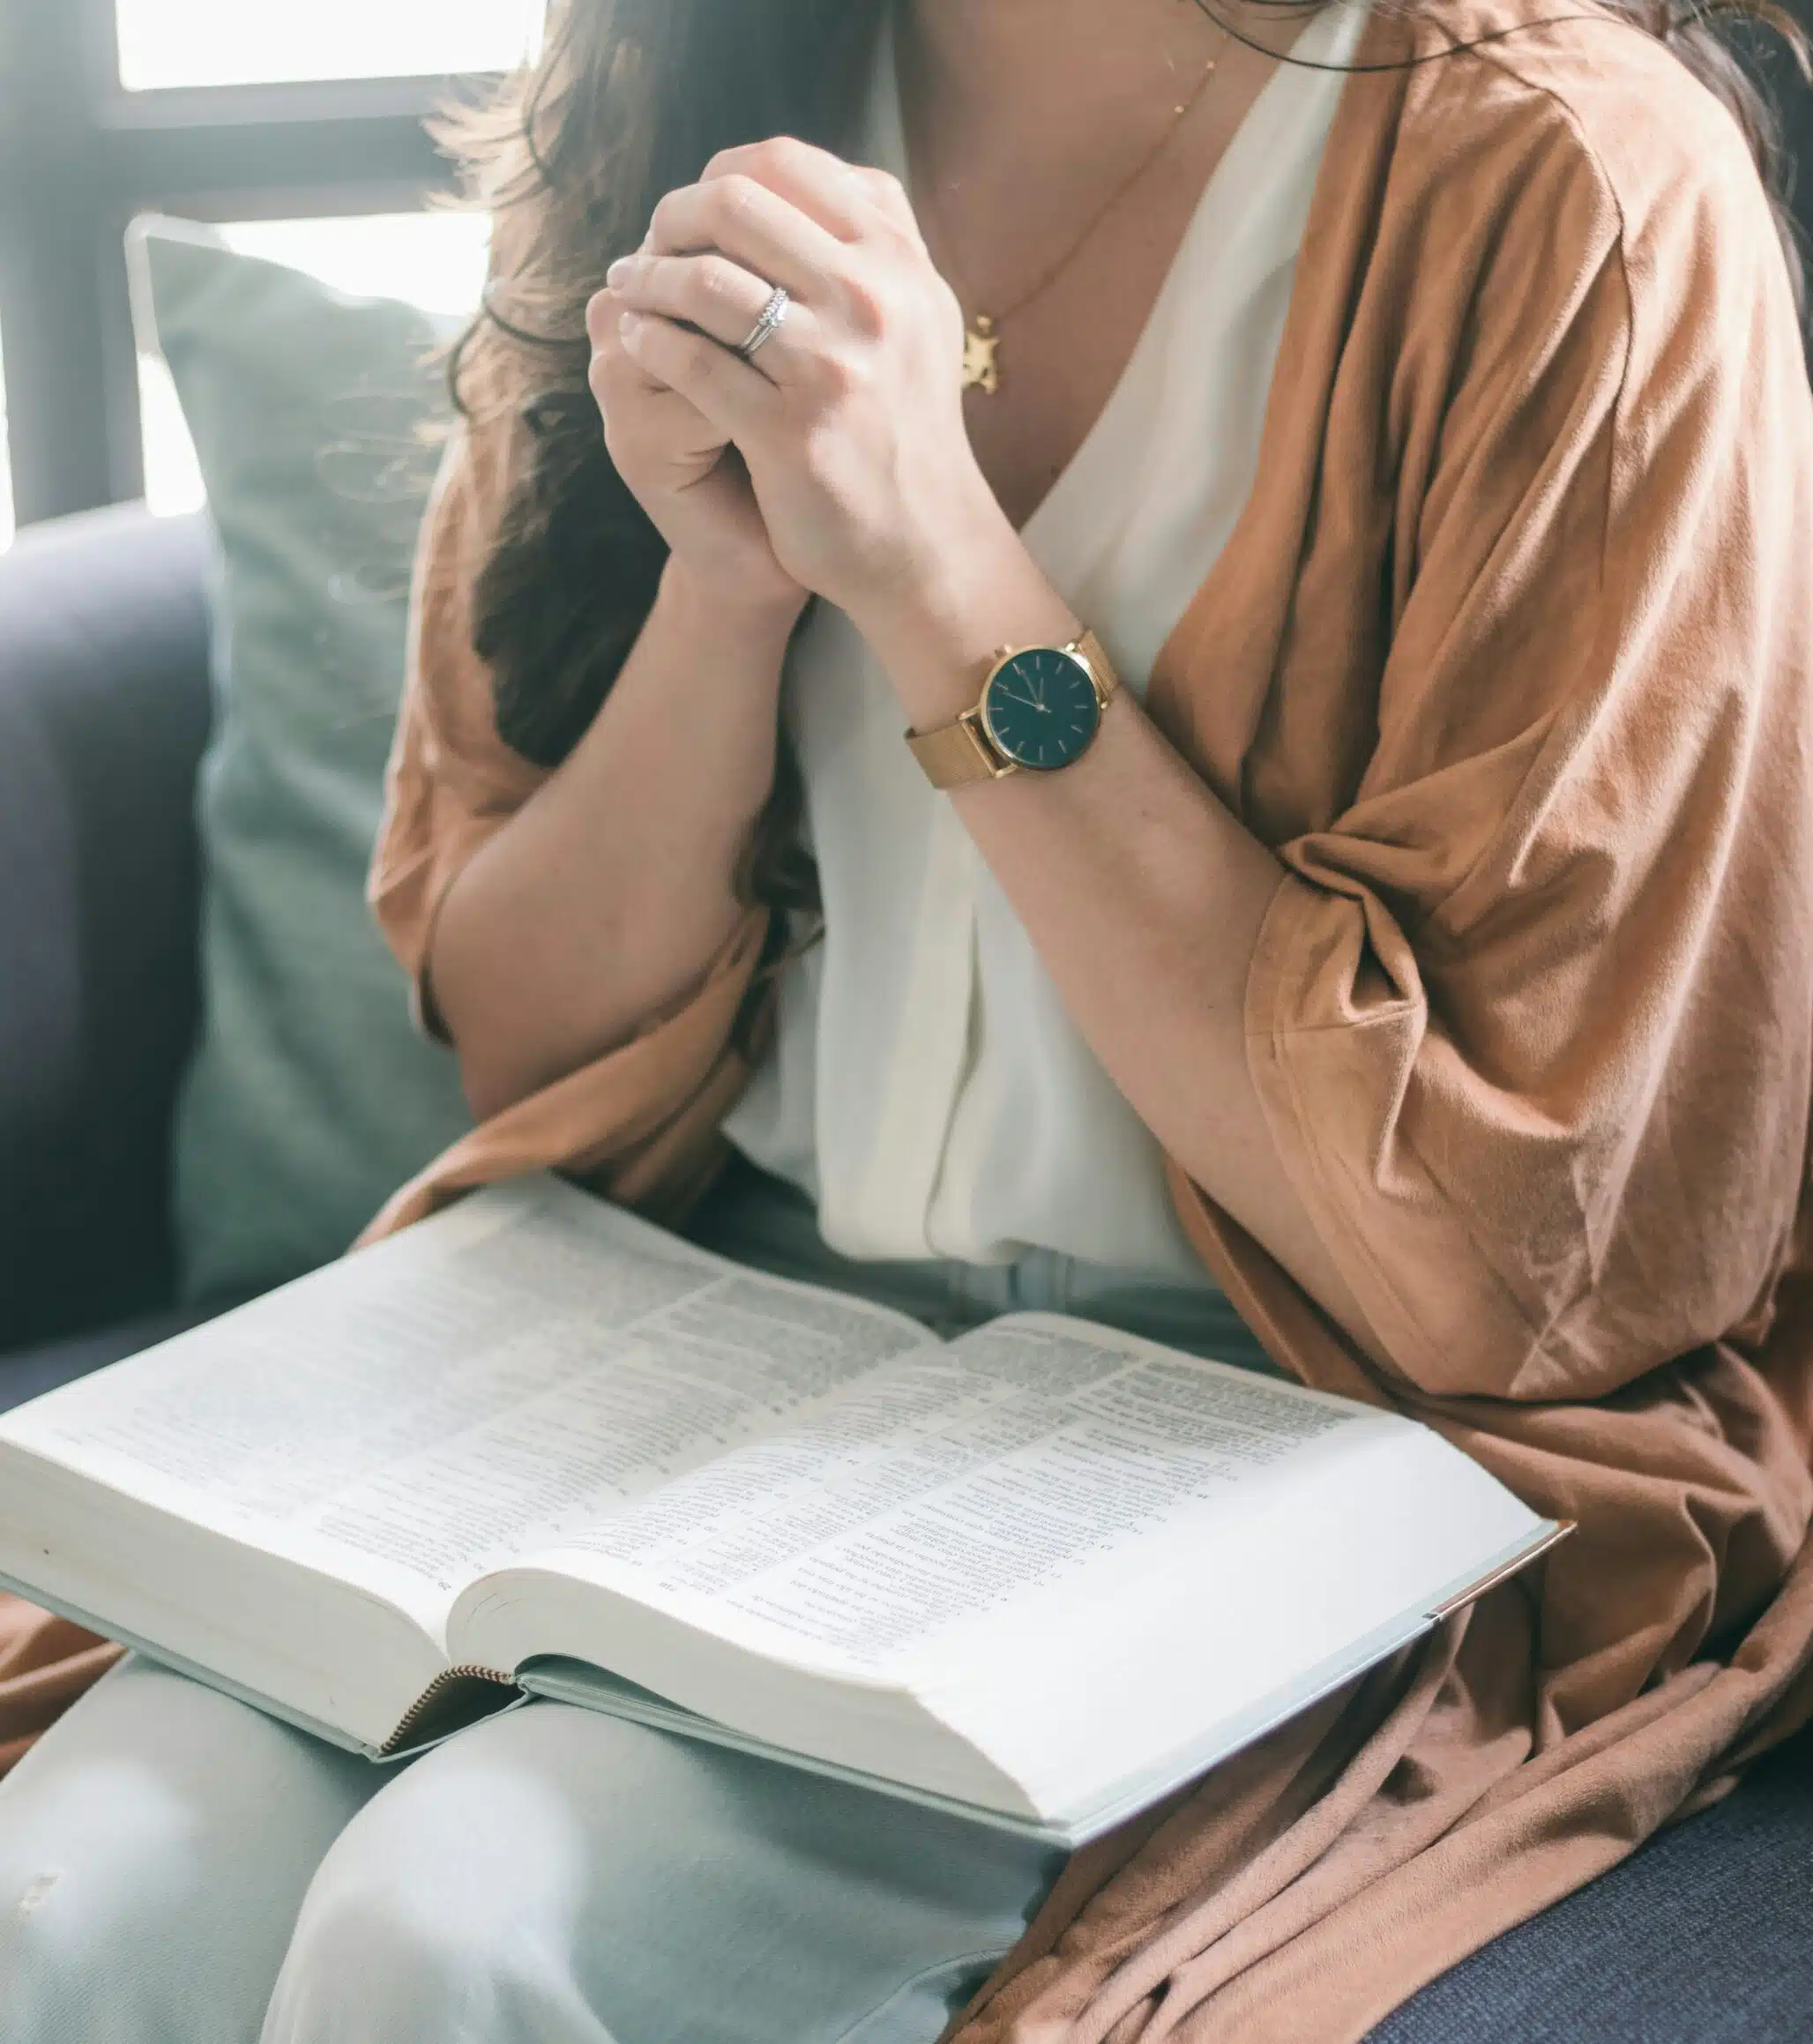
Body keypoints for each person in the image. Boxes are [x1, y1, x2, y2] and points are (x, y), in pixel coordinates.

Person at [4, 0, 1813, 2038]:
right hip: (697, 1333)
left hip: (1286, 1397)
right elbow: (524, 1044)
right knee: (64, 1904)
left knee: (456, 1927)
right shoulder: (651, 98)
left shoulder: (1564, 178)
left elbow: (1529, 1251)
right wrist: (729, 590)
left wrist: (941, 570)